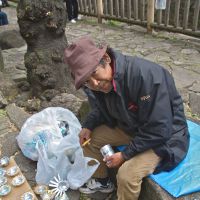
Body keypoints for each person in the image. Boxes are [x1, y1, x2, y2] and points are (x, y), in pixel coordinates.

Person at [64, 36, 189, 200]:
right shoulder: (98, 84)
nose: (95, 84)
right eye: (87, 81)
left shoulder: (147, 76)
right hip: (132, 127)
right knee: (89, 140)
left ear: (106, 59)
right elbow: (101, 109)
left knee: (126, 175)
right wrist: (88, 126)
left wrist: (125, 155)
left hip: (166, 137)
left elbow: (160, 129)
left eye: (94, 73)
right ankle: (103, 181)